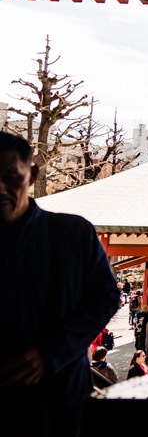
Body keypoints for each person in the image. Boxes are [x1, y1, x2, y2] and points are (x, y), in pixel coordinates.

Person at [0, 131, 121, 436]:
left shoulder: (72, 234)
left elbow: (105, 297)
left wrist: (51, 352)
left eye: (10, 178)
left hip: (59, 393)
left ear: (33, 174)